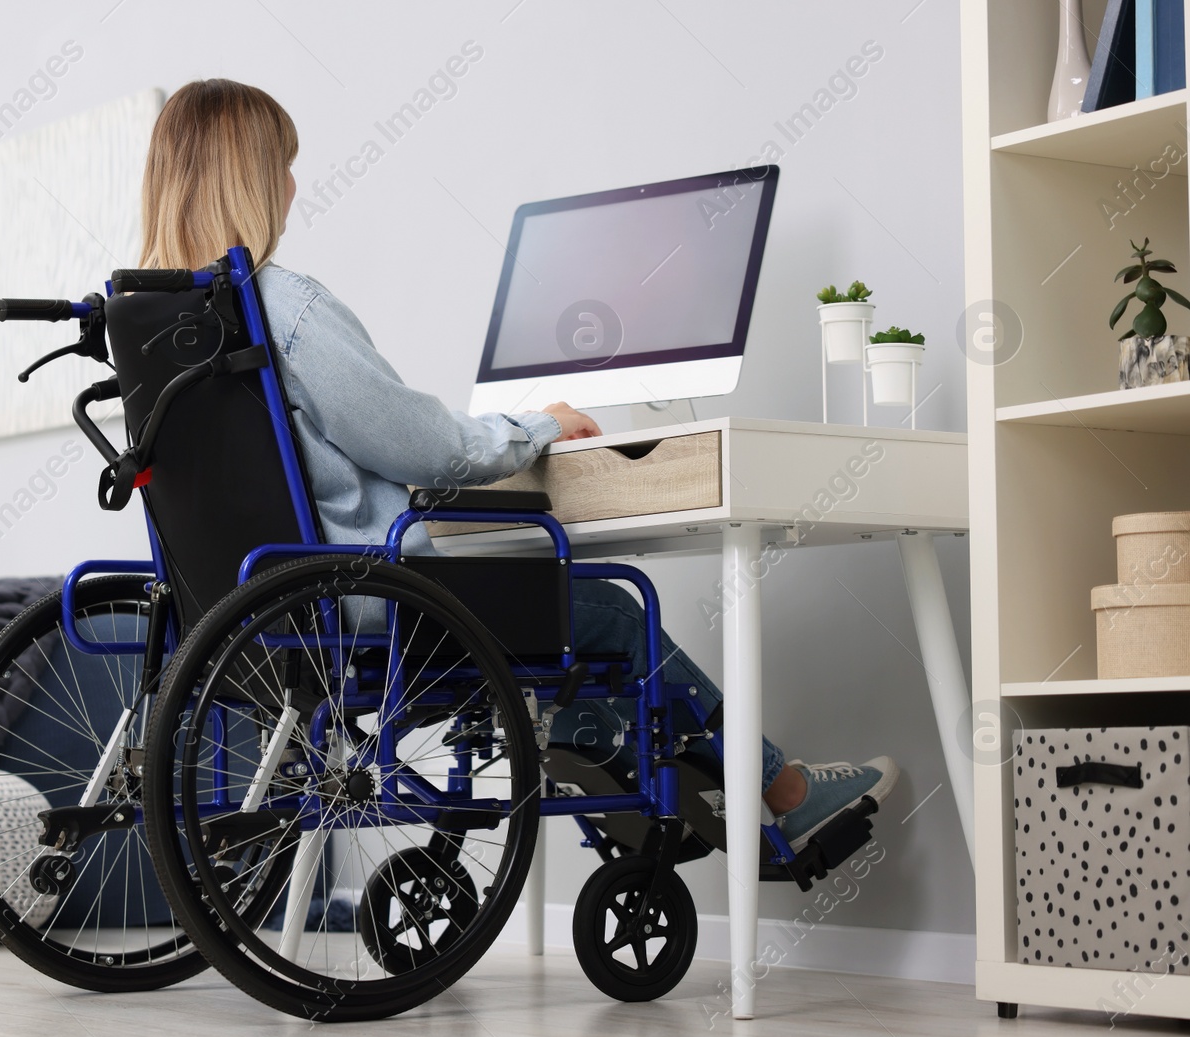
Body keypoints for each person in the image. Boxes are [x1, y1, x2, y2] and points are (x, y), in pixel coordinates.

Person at [138, 78, 897, 852]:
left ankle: (608, 750)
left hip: (249, 613)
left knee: (548, 594)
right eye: (284, 165)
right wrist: (536, 426)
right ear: (252, 176)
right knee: (615, 611)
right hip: (367, 604)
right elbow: (420, 445)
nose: (295, 184)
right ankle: (781, 787)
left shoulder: (160, 326)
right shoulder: (284, 306)